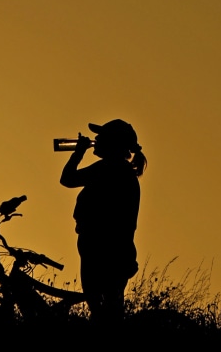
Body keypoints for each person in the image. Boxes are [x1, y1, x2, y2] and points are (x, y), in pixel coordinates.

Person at [60, 119, 146, 324]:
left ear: (113, 143)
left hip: (103, 247)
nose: (95, 140)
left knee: (103, 310)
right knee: (108, 308)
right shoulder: (119, 170)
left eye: (101, 137)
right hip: (111, 248)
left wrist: (78, 153)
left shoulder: (110, 168)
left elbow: (67, 179)